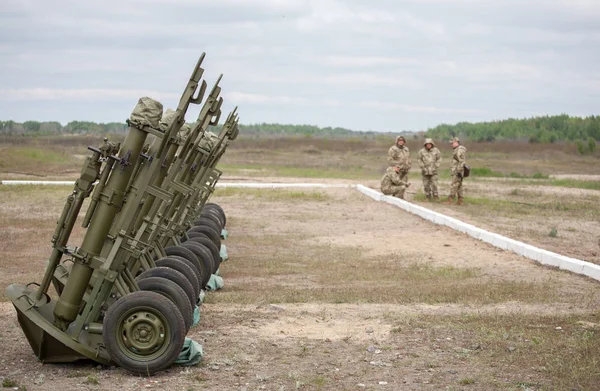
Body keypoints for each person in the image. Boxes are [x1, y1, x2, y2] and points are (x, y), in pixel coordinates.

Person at [446, 137, 467, 205]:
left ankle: (450, 199)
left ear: (456, 142)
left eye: (452, 143)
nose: (451, 144)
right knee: (459, 186)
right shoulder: (457, 149)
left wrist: (459, 171)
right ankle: (460, 201)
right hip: (457, 170)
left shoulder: (459, 150)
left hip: (458, 171)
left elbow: (462, 161)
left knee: (454, 185)